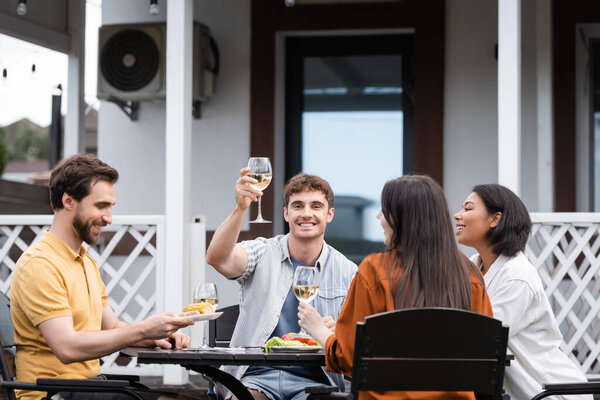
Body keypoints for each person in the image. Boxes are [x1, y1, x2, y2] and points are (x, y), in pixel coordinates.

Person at [10, 154, 195, 400]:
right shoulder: (40, 264)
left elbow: (113, 328)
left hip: (88, 387)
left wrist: (156, 336)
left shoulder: (84, 261)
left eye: (110, 207)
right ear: (68, 201)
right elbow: (66, 347)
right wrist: (141, 330)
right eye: (101, 206)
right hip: (51, 394)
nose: (109, 218)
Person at [298, 175, 493, 400]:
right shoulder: (469, 274)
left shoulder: (374, 270)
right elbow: (485, 360)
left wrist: (319, 330)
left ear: (401, 218)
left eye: (385, 210)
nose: (379, 216)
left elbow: (350, 358)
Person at [206, 169, 358, 400]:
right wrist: (241, 208)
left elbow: (359, 341)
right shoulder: (262, 251)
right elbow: (218, 259)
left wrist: (339, 332)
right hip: (254, 377)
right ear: (286, 214)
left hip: (316, 382)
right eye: (298, 206)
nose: (306, 214)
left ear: (330, 214)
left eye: (316, 206)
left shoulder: (348, 271)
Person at [453, 183, 591, 400]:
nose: (457, 215)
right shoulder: (474, 266)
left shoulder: (517, 276)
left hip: (549, 393)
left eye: (468, 209)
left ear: (495, 219)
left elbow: (484, 338)